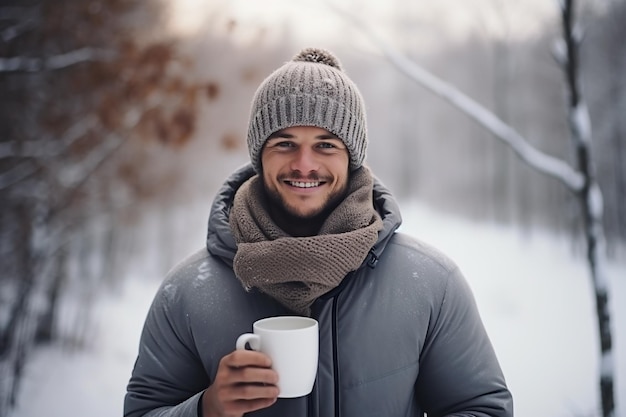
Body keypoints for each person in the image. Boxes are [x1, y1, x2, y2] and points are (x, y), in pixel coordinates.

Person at [124, 47, 513, 417]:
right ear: (259, 156)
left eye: (325, 145)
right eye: (285, 143)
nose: (304, 164)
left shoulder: (429, 283)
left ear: (352, 157)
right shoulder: (189, 290)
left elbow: (482, 407)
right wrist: (206, 409)